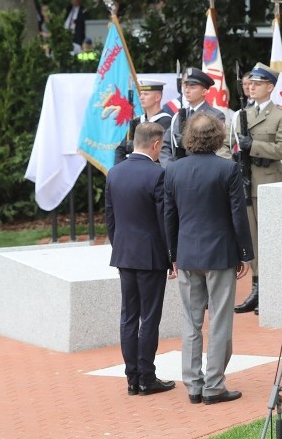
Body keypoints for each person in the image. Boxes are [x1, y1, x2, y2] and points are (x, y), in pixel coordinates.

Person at [164, 113, 254, 405]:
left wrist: (172, 255)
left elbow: (169, 217)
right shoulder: (228, 168)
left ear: (189, 137)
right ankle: (214, 385)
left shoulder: (174, 170)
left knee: (191, 322)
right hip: (220, 254)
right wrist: (246, 254)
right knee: (219, 320)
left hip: (187, 254)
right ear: (217, 137)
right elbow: (238, 216)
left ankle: (193, 385)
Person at [105, 123, 175, 396]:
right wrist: (171, 256)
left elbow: (110, 219)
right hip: (151, 256)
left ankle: (132, 378)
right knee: (149, 317)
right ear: (156, 144)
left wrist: (119, 246)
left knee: (128, 316)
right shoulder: (157, 173)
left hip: (124, 253)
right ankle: (147, 376)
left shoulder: (115, 172)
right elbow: (164, 220)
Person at [226, 63, 282, 315]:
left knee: (268, 239)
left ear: (270, 87)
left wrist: (253, 145)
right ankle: (257, 286)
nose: (251, 87)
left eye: (257, 84)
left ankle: (270, 288)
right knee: (251, 240)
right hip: (243, 182)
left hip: (267, 182)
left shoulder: (281, 116)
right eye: (249, 83)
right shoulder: (240, 115)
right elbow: (227, 145)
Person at [159, 67, 226, 167]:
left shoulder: (215, 116)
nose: (187, 90)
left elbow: (217, 149)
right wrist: (171, 167)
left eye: (192, 87)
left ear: (204, 91)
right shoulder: (178, 116)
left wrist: (186, 144)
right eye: (185, 86)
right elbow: (164, 145)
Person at [115, 80, 172, 165]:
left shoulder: (166, 122)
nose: (141, 97)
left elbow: (165, 152)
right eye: (141, 94)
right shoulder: (137, 121)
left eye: (146, 94)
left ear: (158, 97)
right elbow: (120, 149)